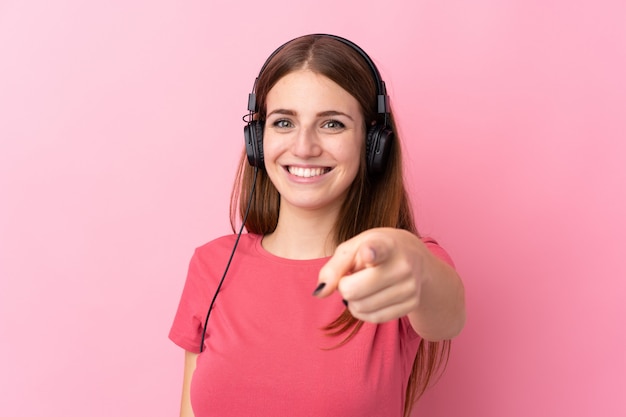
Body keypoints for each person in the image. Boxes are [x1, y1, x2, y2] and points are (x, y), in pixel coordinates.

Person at [169, 34, 465, 417]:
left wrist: (415, 263)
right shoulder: (211, 264)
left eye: (332, 124)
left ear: (374, 143)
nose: (304, 146)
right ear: (258, 140)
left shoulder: (401, 267)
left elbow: (448, 316)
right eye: (284, 122)